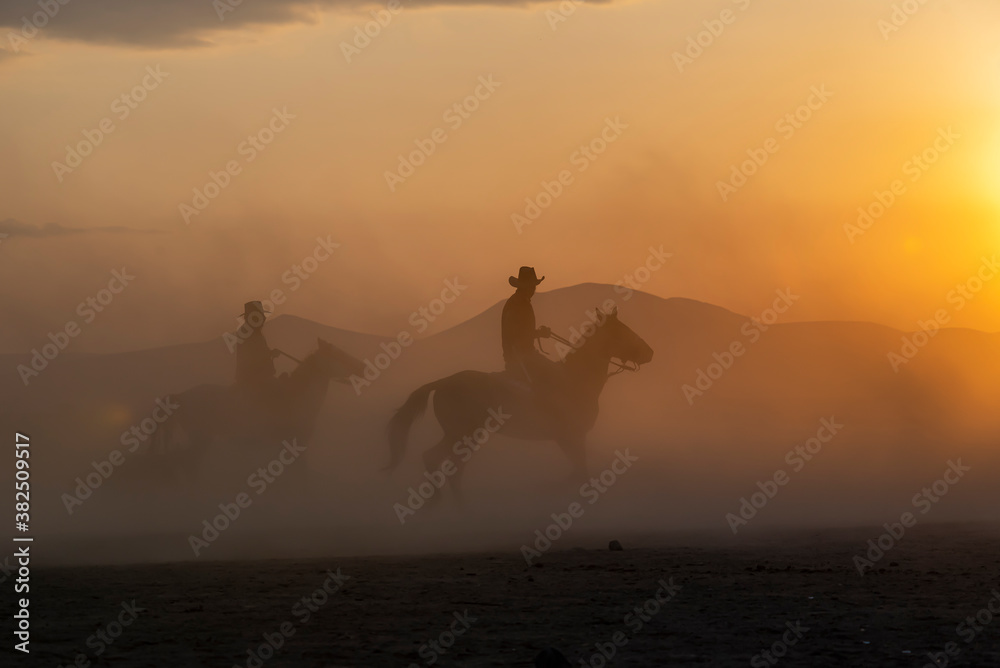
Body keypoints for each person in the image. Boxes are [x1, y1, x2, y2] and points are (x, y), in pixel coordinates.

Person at [501, 267, 559, 390]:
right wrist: (539, 333)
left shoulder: (520, 302)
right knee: (553, 377)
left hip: (522, 355)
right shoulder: (518, 304)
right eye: (532, 286)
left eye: (534, 286)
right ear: (524, 286)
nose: (533, 289)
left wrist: (537, 333)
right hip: (520, 358)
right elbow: (517, 334)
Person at [234, 301, 281, 404]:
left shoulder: (250, 333)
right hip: (253, 378)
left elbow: (258, 352)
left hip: (255, 377)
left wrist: (270, 353)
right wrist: (270, 354)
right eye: (260, 317)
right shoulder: (248, 334)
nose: (263, 319)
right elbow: (253, 356)